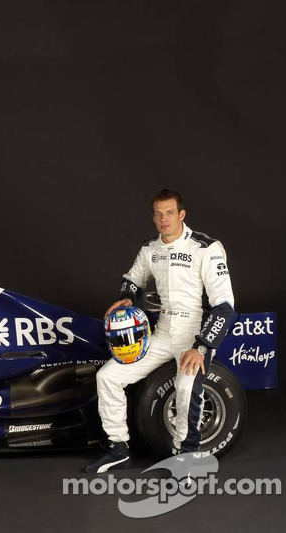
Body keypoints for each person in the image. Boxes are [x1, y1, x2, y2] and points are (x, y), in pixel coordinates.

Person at [84, 189, 235, 474]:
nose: (163, 219)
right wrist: (127, 297)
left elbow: (225, 307)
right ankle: (118, 448)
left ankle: (186, 458)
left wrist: (201, 346)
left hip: (195, 333)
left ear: (181, 215)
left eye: (169, 213)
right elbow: (133, 279)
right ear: (153, 217)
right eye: (158, 214)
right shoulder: (150, 248)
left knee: (187, 388)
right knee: (107, 377)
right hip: (162, 331)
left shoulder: (207, 248)